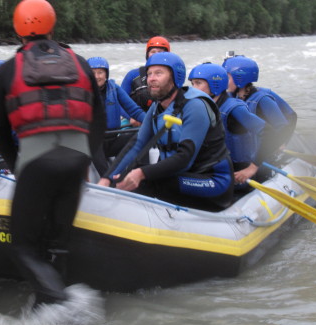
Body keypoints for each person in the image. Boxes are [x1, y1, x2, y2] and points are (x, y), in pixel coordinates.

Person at [0, 0, 106, 307]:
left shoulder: (5, 72)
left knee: (22, 248)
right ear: (52, 26)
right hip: (76, 159)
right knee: (59, 244)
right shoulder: (80, 63)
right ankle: (52, 314)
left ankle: (62, 303)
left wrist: (19, 169)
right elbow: (100, 119)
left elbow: (0, 130)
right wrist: (85, 156)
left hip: (36, 163)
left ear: (18, 29)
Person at [99, 52, 234, 211]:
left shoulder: (195, 105)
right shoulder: (157, 107)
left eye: (158, 73)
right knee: (123, 178)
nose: (151, 78)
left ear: (175, 77)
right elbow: (137, 144)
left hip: (212, 181)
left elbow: (185, 158)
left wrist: (141, 173)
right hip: (180, 177)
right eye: (149, 74)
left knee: (147, 181)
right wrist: (107, 178)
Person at [188, 63, 266, 186]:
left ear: (215, 85)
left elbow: (270, 133)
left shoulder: (234, 109)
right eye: (192, 83)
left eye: (198, 83)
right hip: (212, 171)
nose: (193, 88)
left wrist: (252, 168)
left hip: (236, 176)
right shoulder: (202, 107)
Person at [223, 54, 297, 161]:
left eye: (227, 77)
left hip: (265, 143)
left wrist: (280, 144)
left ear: (240, 78)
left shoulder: (263, 99)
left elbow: (284, 126)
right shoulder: (231, 96)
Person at [87, 56, 145, 175]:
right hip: (93, 143)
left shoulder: (114, 88)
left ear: (106, 75)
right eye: (93, 73)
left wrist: (153, 123)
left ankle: (139, 175)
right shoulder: (82, 91)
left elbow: (134, 111)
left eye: (100, 72)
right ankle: (108, 179)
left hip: (112, 139)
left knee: (140, 136)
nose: (97, 76)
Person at [120, 36, 171, 113]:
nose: (156, 55)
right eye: (153, 52)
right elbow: (120, 103)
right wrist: (132, 118)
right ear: (147, 54)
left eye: (160, 52)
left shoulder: (173, 76)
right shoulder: (133, 75)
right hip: (135, 120)